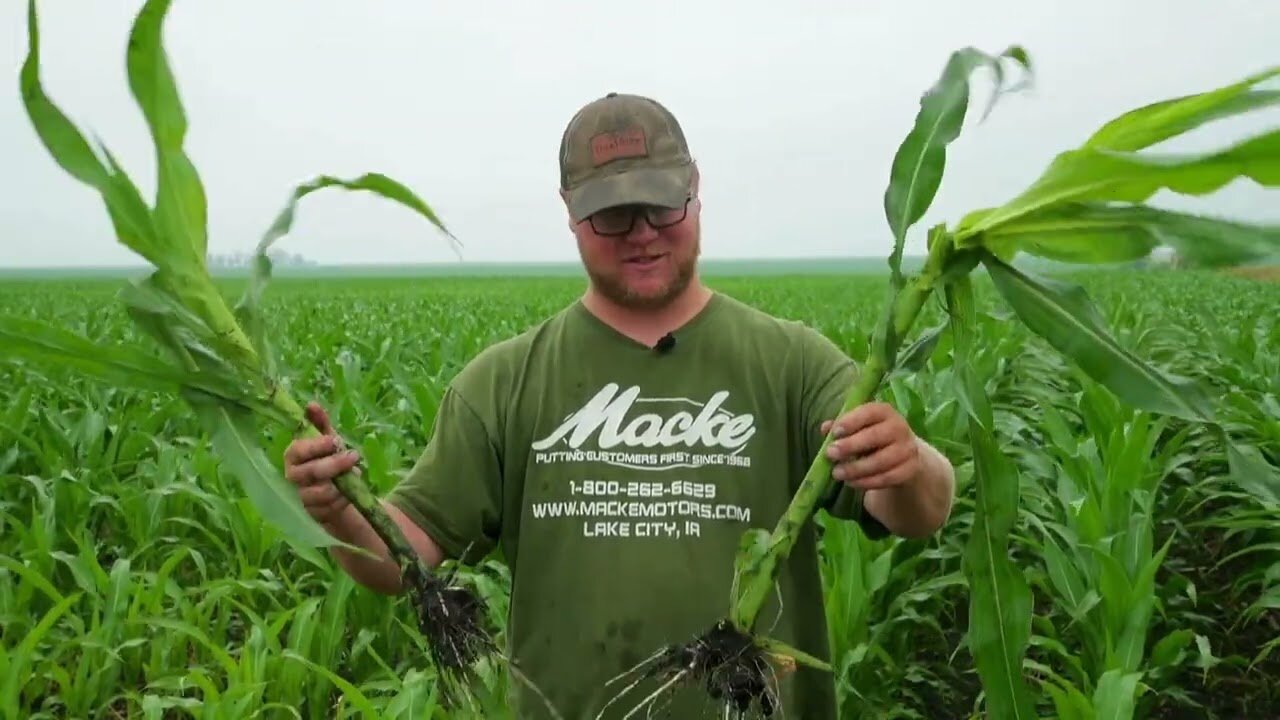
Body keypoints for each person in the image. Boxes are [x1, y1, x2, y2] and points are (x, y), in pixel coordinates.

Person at [283, 92, 956, 719]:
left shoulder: (790, 363)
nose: (641, 233)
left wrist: (909, 464)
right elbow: (401, 562)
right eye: (612, 214)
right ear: (569, 209)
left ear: (695, 189)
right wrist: (337, 507)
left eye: (662, 205)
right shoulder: (506, 382)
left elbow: (920, 511)